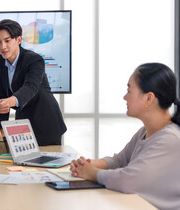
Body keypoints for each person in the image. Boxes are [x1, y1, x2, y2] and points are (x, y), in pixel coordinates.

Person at [70, 63, 180, 210]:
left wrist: (92, 173)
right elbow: (119, 161)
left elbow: (127, 180)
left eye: (129, 90)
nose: (124, 97)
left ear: (148, 98)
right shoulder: (144, 132)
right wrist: (87, 164)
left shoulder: (170, 139)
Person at [0, 19, 66, 145]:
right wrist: (0, 135)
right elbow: (2, 95)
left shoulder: (34, 60)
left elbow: (30, 87)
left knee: (44, 162)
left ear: (18, 40)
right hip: (23, 121)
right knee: (22, 160)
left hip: (46, 120)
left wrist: (9, 102)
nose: (2, 47)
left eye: (7, 41)